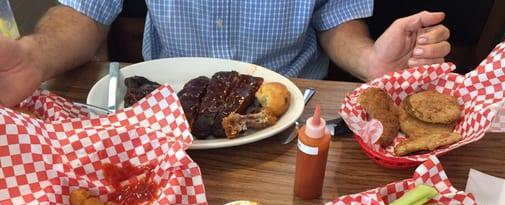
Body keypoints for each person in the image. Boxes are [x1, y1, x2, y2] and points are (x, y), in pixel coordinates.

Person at [0, 1, 450, 107]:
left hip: (289, 113)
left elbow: (334, 14)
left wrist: (371, 61)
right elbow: (86, 9)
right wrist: (34, 59)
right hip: (161, 110)